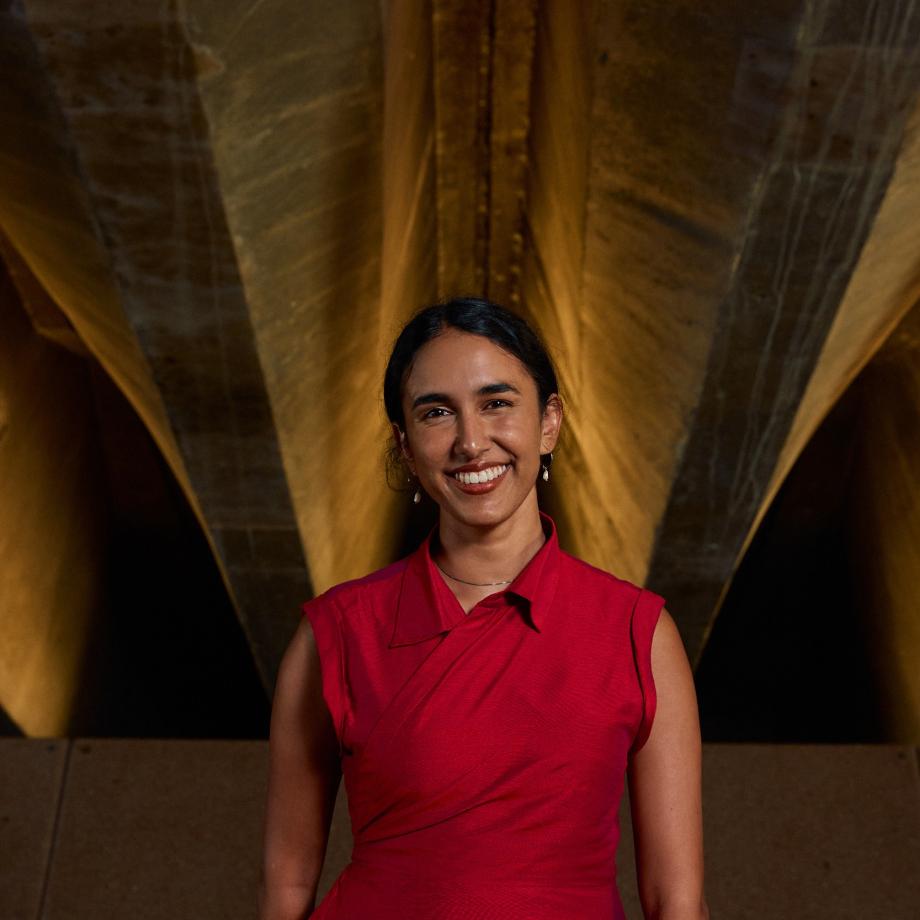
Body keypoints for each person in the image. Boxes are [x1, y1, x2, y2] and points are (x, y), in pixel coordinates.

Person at [260, 298, 709, 920]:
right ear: (406, 444)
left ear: (549, 421)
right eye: (437, 412)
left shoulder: (637, 632)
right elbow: (286, 883)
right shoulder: (335, 634)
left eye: (497, 403)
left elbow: (677, 900)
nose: (471, 442)